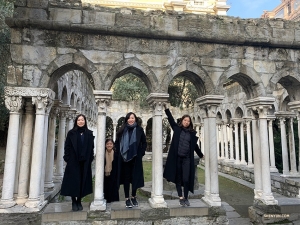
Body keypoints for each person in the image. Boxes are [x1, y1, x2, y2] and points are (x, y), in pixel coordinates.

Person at [163, 105, 204, 207]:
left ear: (190, 123)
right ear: (182, 121)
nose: (186, 122)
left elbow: (195, 146)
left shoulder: (192, 134)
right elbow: (171, 120)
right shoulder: (177, 129)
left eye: (188, 121)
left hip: (186, 159)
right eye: (185, 120)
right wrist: (166, 109)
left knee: (186, 179)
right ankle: (181, 198)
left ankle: (186, 197)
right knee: (178, 179)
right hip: (177, 159)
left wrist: (201, 155)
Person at [60, 114, 95, 211]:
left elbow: (92, 147)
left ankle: (79, 200)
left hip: (85, 161)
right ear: (76, 121)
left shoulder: (89, 133)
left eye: (82, 120)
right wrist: (67, 158)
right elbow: (67, 146)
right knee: (73, 182)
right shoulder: (71, 133)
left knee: (82, 181)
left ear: (85, 121)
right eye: (79, 120)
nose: (80, 121)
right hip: (73, 161)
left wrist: (90, 158)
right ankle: (73, 201)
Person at [115, 112, 147, 208]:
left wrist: (141, 153)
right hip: (124, 158)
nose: (131, 119)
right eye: (129, 118)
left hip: (135, 158)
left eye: (132, 118)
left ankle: (133, 196)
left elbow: (144, 143)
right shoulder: (122, 130)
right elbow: (117, 143)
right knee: (126, 178)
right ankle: (127, 199)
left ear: (135, 119)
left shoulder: (139, 130)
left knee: (135, 178)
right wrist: (118, 154)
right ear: (126, 120)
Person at [103, 138, 119, 203]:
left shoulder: (116, 154)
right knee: (106, 189)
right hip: (105, 174)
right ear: (105, 145)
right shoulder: (103, 154)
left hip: (114, 174)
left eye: (110, 144)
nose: (109, 145)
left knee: (114, 190)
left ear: (113, 145)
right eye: (107, 144)